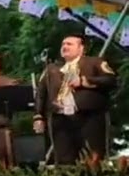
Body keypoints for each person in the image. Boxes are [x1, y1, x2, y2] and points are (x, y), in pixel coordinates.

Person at [34, 35, 118, 164]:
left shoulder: (95, 62)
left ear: (81, 48)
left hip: (88, 117)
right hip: (60, 119)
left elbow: (111, 80)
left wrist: (85, 81)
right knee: (63, 161)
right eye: (63, 44)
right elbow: (41, 94)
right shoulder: (52, 69)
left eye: (69, 44)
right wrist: (38, 116)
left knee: (91, 158)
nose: (65, 47)